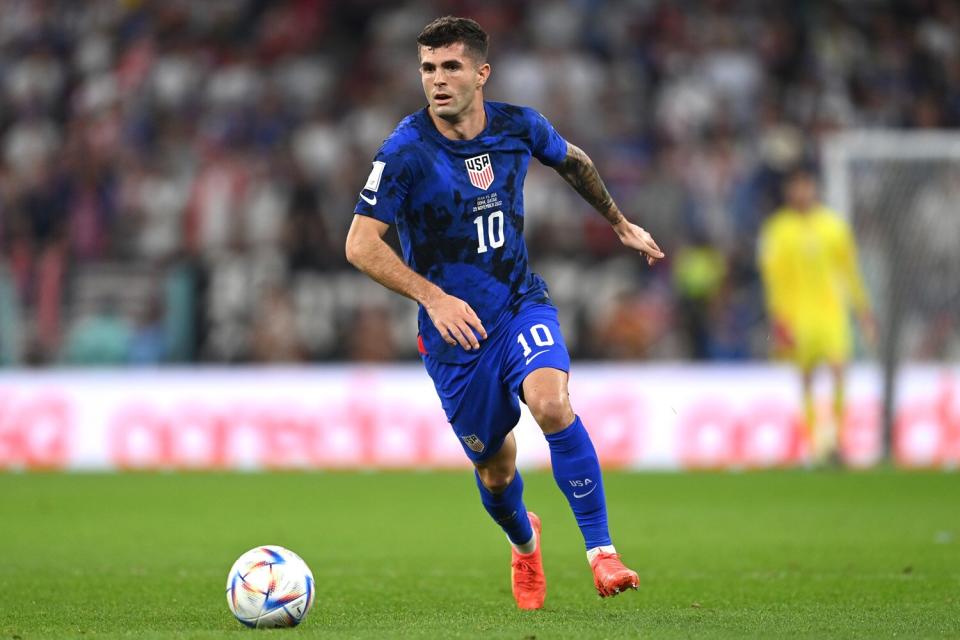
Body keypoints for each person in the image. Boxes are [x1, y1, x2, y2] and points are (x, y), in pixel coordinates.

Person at [345, 16, 663, 609]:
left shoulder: (519, 126)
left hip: (519, 303)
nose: (437, 80)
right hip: (455, 336)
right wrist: (433, 297)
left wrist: (619, 223)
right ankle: (525, 542)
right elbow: (359, 244)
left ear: (481, 72)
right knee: (495, 470)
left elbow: (574, 161)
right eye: (428, 69)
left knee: (551, 401)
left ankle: (602, 553)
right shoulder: (406, 150)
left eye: (451, 67)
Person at [758, 167, 874, 464]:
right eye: (796, 186)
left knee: (838, 370)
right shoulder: (777, 230)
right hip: (797, 317)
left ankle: (836, 439)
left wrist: (863, 311)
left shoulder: (834, 227)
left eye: (806, 185)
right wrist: (779, 318)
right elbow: (774, 279)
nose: (801, 192)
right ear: (788, 192)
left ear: (815, 188)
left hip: (831, 313)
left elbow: (850, 273)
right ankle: (815, 444)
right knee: (807, 378)